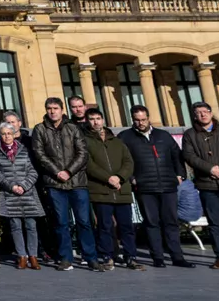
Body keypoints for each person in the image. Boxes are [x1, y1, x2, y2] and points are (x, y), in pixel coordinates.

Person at [118, 105, 192, 268]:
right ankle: (157, 257)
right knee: (152, 223)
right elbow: (122, 160)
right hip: (144, 187)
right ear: (132, 119)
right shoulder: (125, 137)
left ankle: (177, 257)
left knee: (171, 222)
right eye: (137, 120)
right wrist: (131, 178)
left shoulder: (163, 135)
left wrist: (180, 175)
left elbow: (176, 156)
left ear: (149, 118)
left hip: (168, 185)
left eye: (143, 119)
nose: (141, 123)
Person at [32, 96, 98, 271]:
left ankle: (90, 257)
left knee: (84, 221)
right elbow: (39, 154)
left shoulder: (73, 128)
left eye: (55, 108)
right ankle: (66, 258)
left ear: (62, 110)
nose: (52, 111)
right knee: (61, 222)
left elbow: (82, 153)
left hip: (77, 182)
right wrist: (57, 172)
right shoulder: (39, 129)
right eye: (49, 108)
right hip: (55, 183)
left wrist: (69, 171)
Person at [181, 101, 219, 269]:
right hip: (207, 186)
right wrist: (210, 169)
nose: (203, 114)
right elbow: (189, 156)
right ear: (195, 116)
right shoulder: (190, 135)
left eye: (205, 111)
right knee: (215, 223)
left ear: (211, 113)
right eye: (198, 112)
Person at [82, 108, 140, 270]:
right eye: (92, 119)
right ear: (87, 121)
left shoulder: (117, 141)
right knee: (104, 226)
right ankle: (107, 256)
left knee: (127, 226)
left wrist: (120, 177)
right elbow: (89, 164)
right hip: (101, 190)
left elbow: (128, 162)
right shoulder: (85, 141)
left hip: (121, 190)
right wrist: (108, 178)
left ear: (103, 120)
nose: (96, 122)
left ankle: (131, 256)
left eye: (98, 118)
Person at [0, 121, 43, 270]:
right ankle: (22, 256)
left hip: (28, 193)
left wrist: (24, 186)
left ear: (14, 134)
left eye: (9, 133)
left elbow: (33, 170)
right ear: (0, 136)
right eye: (3, 134)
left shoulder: (25, 151)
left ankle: (33, 256)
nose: (7, 136)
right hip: (9, 193)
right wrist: (12, 186)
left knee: (31, 225)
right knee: (15, 226)